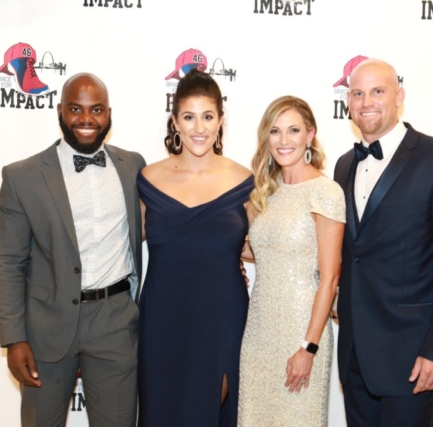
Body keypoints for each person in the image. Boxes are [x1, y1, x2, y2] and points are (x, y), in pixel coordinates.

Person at [333, 58, 433, 427]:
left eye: (377, 91)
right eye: (357, 94)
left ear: (399, 96)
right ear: (347, 102)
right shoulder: (343, 166)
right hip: (356, 356)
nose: (366, 102)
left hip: (414, 356)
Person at [0, 73, 145, 427]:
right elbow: (9, 262)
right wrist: (14, 338)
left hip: (114, 322)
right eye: (76, 109)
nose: (86, 119)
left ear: (109, 114)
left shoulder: (134, 167)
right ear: (60, 110)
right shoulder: (23, 176)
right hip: (46, 324)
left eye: (97, 110)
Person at [137, 69, 253, 427]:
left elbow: (268, 246)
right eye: (189, 117)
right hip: (162, 318)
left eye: (207, 117)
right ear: (175, 121)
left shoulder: (245, 180)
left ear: (221, 120)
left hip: (222, 316)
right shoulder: (148, 178)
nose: (199, 128)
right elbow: (119, 241)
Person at [238, 96, 345, 426]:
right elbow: (262, 251)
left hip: (301, 330)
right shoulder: (265, 193)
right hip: (258, 332)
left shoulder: (325, 192)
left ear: (310, 135)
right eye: (275, 131)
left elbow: (330, 278)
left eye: (293, 130)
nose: (283, 140)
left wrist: (308, 348)